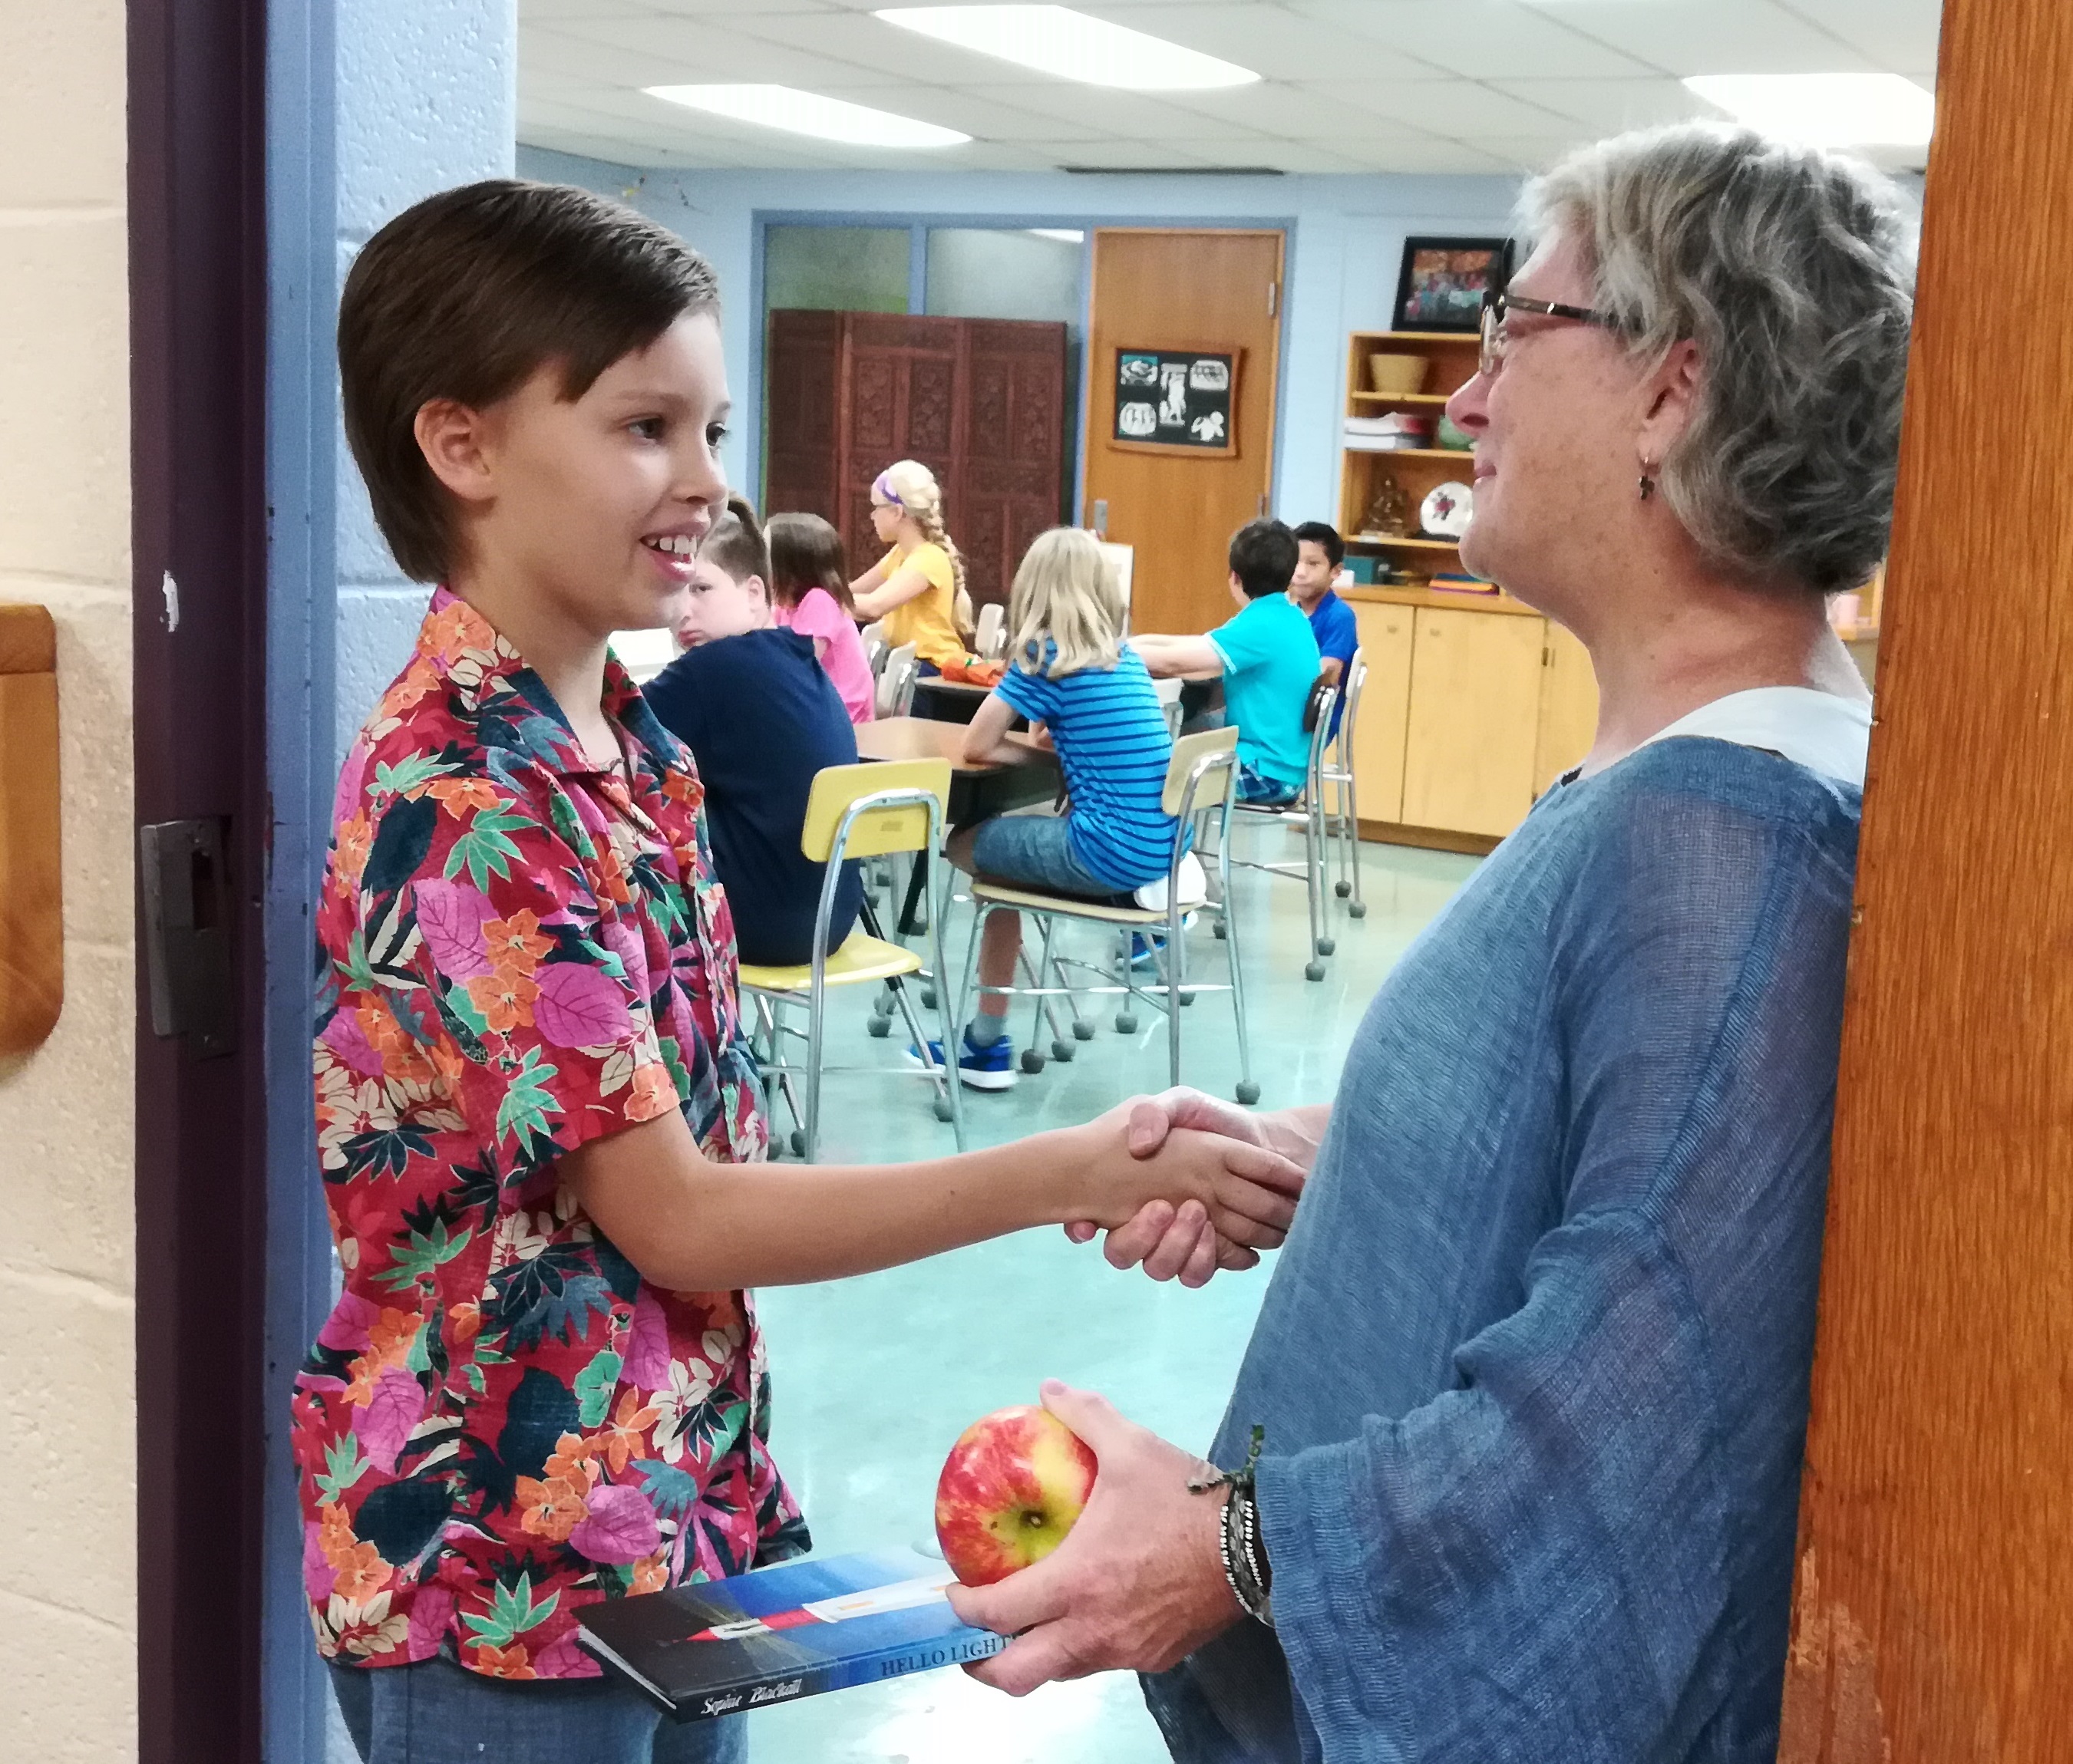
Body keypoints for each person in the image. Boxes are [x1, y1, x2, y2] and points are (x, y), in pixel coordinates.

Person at [946, 121, 1915, 1763]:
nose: (1467, 401)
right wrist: (1322, 1152)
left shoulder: (1724, 838)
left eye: (1512, 332)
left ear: (1672, 392)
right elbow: (1628, 1162)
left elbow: (1625, 1426)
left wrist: (1227, 1547)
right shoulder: (1686, 785)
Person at [305, 178, 1306, 1764]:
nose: (707, 483)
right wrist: (1069, 1169)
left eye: (710, 431)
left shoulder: (632, 745)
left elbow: (710, 1168)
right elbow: (677, 1207)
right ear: (463, 444)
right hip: (507, 1575)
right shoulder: (470, 801)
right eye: (648, 428)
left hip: (672, 1513)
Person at [937, 526, 1180, 1089]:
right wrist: (1053, 756)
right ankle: (989, 1031)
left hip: (1108, 853)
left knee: (967, 845)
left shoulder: (1044, 656)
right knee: (1006, 861)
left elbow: (977, 744)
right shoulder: (1123, 658)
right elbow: (1054, 738)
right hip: (1161, 850)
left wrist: (1037, 757)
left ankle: (986, 1041)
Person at [641, 496, 864, 968]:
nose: (683, 611)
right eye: (675, 590)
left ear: (755, 594)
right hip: (833, 918)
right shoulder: (797, 658)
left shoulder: (714, 669)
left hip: (762, 924)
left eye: (701, 589)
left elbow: (597, 726)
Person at [1134, 519, 1322, 806]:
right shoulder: (1285, 616)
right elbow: (1195, 645)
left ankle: (1163, 849)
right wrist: (1130, 644)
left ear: (1234, 577)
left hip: (1264, 774)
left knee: (1146, 775)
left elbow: (1176, 662)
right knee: (1189, 735)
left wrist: (1111, 652)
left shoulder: (1261, 625)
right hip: (1282, 768)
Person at [848, 458, 971, 674]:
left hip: (931, 669)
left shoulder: (928, 558)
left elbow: (873, 606)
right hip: (907, 664)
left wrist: (820, 597)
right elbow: (852, 591)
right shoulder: (900, 553)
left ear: (897, 512)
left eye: (877, 507)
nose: (872, 515)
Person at [765, 510, 875, 725]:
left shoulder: (819, 600)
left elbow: (800, 666)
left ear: (789, 562)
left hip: (842, 717)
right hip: (817, 709)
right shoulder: (785, 605)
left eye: (766, 554)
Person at [1287, 521, 1357, 742]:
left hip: (1313, 723)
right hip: (1289, 710)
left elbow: (1326, 678)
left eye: (1313, 564)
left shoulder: (1340, 616)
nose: (1300, 572)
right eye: (1295, 562)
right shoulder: (1289, 614)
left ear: (1335, 571)